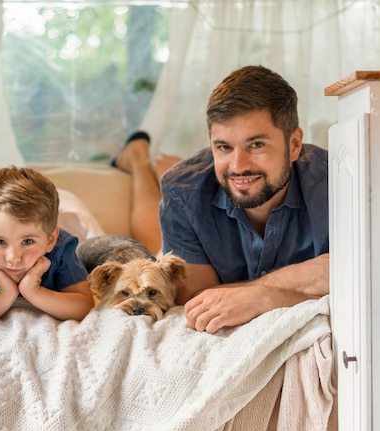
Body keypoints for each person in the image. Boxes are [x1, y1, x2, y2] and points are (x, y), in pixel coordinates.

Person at [113, 65, 329, 333]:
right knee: (151, 243)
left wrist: (264, 297)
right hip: (191, 207)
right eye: (224, 147)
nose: (238, 166)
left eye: (256, 145)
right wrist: (305, 278)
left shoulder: (338, 182)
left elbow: (359, 280)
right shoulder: (182, 190)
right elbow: (199, 302)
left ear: (294, 144)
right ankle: (137, 159)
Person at [0, 165, 94, 324]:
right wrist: (5, 294)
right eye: (0, 241)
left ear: (50, 240)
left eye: (27, 241)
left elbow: (84, 306)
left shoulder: (61, 249)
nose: (13, 258)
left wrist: (33, 291)